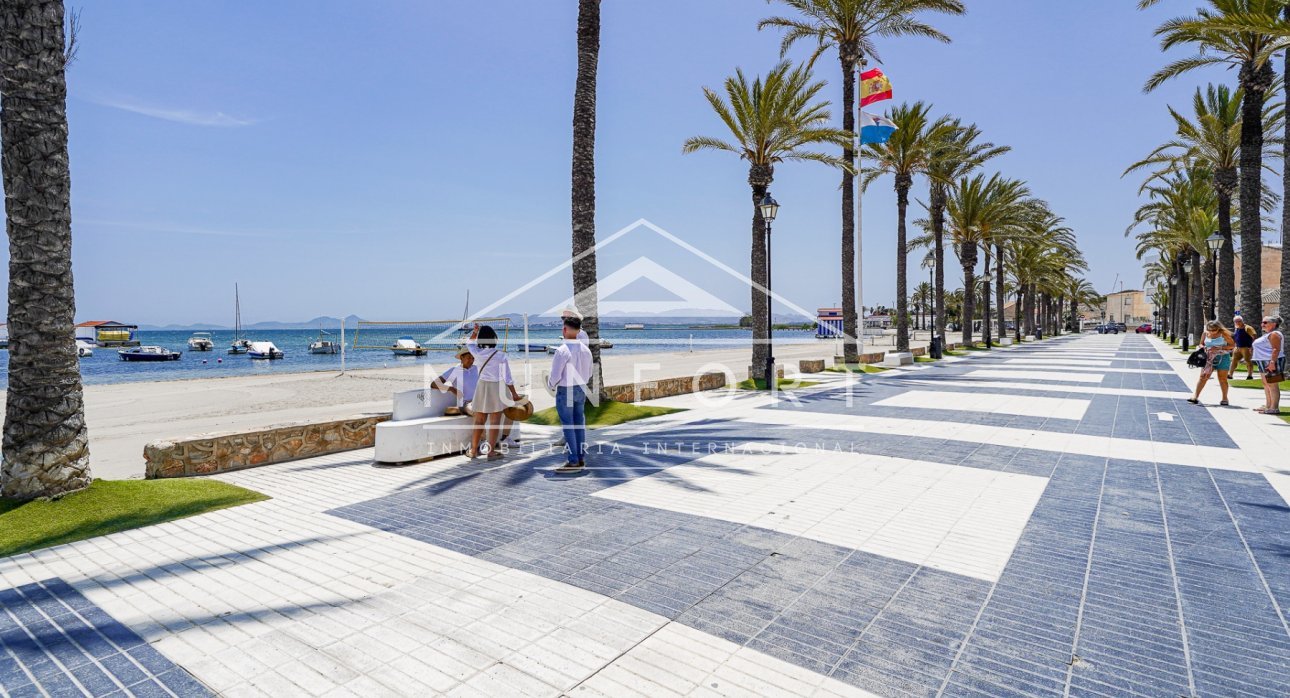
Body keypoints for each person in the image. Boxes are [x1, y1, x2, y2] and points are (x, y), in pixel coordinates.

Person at [466, 324, 521, 460]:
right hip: (497, 387)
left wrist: (475, 332)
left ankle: (473, 451)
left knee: (479, 420)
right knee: (495, 421)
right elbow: (507, 377)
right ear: (494, 339)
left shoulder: (477, 353)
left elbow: (469, 342)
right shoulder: (501, 355)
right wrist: (514, 394)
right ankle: (490, 452)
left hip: (482, 386)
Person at [547, 316, 592, 473]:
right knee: (579, 424)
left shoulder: (562, 350)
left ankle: (573, 461)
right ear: (579, 330)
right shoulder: (586, 350)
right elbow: (590, 372)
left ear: (564, 329)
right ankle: (580, 458)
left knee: (568, 425)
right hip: (581, 388)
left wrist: (551, 385)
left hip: (566, 390)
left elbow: (555, 375)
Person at [1188, 320, 1235, 406]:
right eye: (1210, 330)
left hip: (1222, 357)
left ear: (1218, 328)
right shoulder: (1205, 334)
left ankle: (1225, 398)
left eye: (1214, 330)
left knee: (1222, 378)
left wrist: (1219, 347)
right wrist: (1204, 347)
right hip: (1208, 358)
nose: (1212, 332)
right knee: (1203, 377)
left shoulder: (1223, 334)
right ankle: (1195, 396)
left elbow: (1232, 345)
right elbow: (1201, 344)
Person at [1252, 315, 1285, 415]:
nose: (1262, 324)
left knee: (1272, 384)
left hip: (1271, 361)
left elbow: (1276, 349)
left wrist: (1272, 363)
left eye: (1265, 323)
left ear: (1274, 324)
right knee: (1266, 384)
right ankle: (1268, 405)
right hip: (1263, 361)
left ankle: (1274, 408)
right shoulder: (1268, 334)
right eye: (1262, 322)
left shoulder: (1275, 334)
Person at [431, 347, 478, 412]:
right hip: (466, 404)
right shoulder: (455, 370)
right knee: (476, 411)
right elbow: (434, 384)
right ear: (461, 358)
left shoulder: (477, 369)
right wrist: (451, 389)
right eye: (469, 358)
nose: (471, 361)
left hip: (480, 402)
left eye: (473, 358)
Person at [1229, 316, 1256, 381]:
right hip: (1237, 347)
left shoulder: (1248, 328)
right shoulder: (1237, 328)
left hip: (1246, 347)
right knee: (1233, 361)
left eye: (1239, 321)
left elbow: (1254, 336)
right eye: (1236, 321)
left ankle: (1250, 375)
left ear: (1242, 321)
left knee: (1248, 361)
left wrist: (1252, 347)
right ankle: (1230, 375)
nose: (1237, 322)